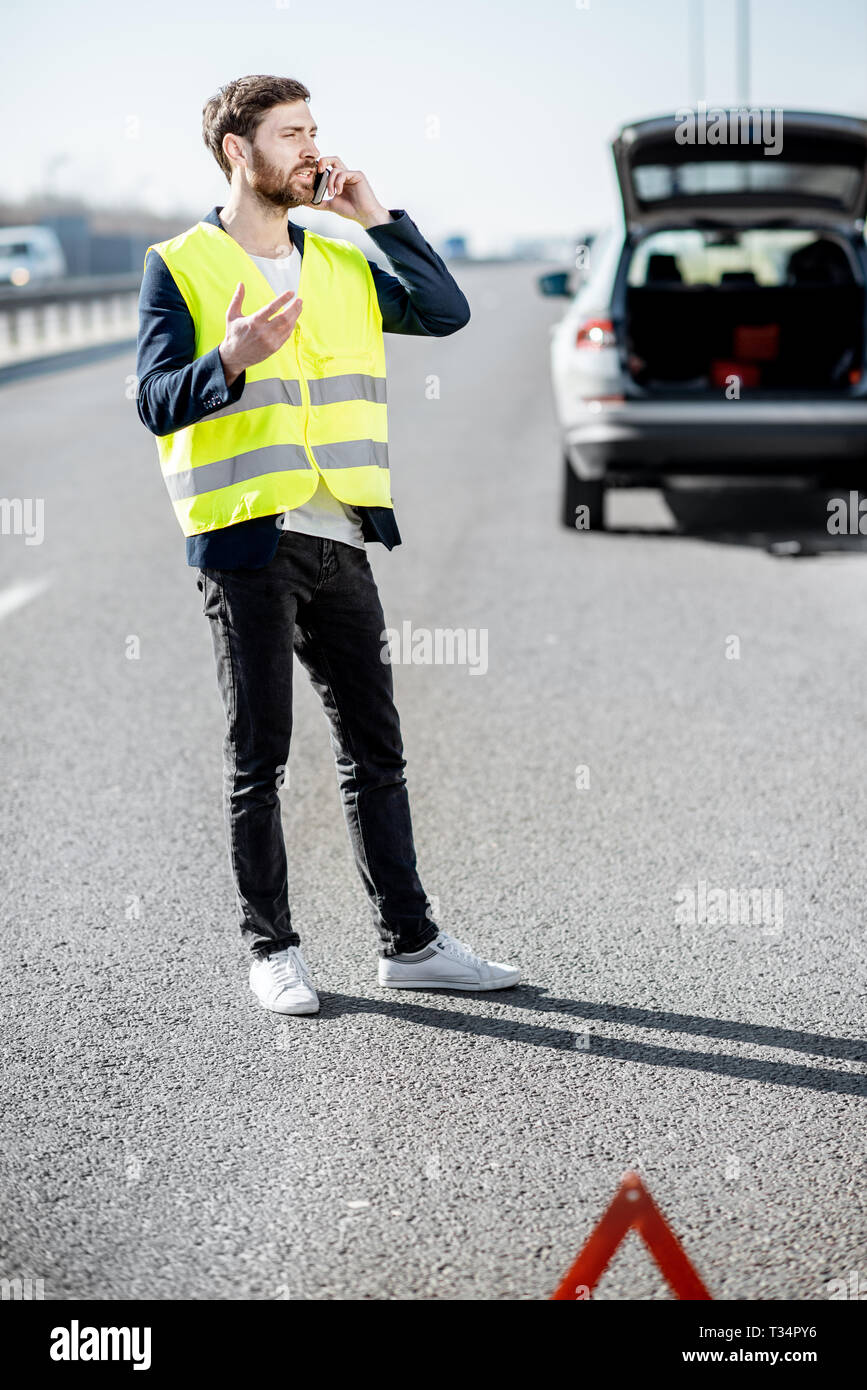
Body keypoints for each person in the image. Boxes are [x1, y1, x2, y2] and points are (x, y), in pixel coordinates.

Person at [136, 74, 521, 1016]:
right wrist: (226, 359)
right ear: (238, 150)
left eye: (315, 130)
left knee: (376, 753)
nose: (311, 148)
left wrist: (376, 213)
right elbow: (153, 401)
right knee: (258, 758)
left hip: (340, 536)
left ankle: (412, 942)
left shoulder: (340, 258)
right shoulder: (181, 263)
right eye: (290, 133)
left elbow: (444, 311)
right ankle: (271, 950)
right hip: (247, 544)